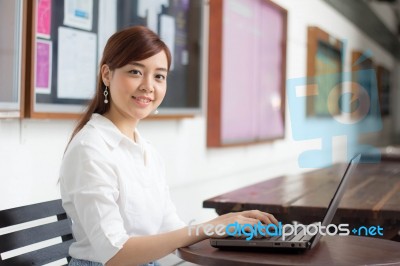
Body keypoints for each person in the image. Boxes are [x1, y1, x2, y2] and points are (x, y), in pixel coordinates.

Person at [59, 25, 278, 266]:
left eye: (159, 76)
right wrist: (211, 226)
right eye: (135, 71)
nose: (148, 86)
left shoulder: (146, 150)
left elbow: (171, 228)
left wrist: (233, 229)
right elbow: (115, 253)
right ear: (107, 75)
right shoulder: (90, 149)